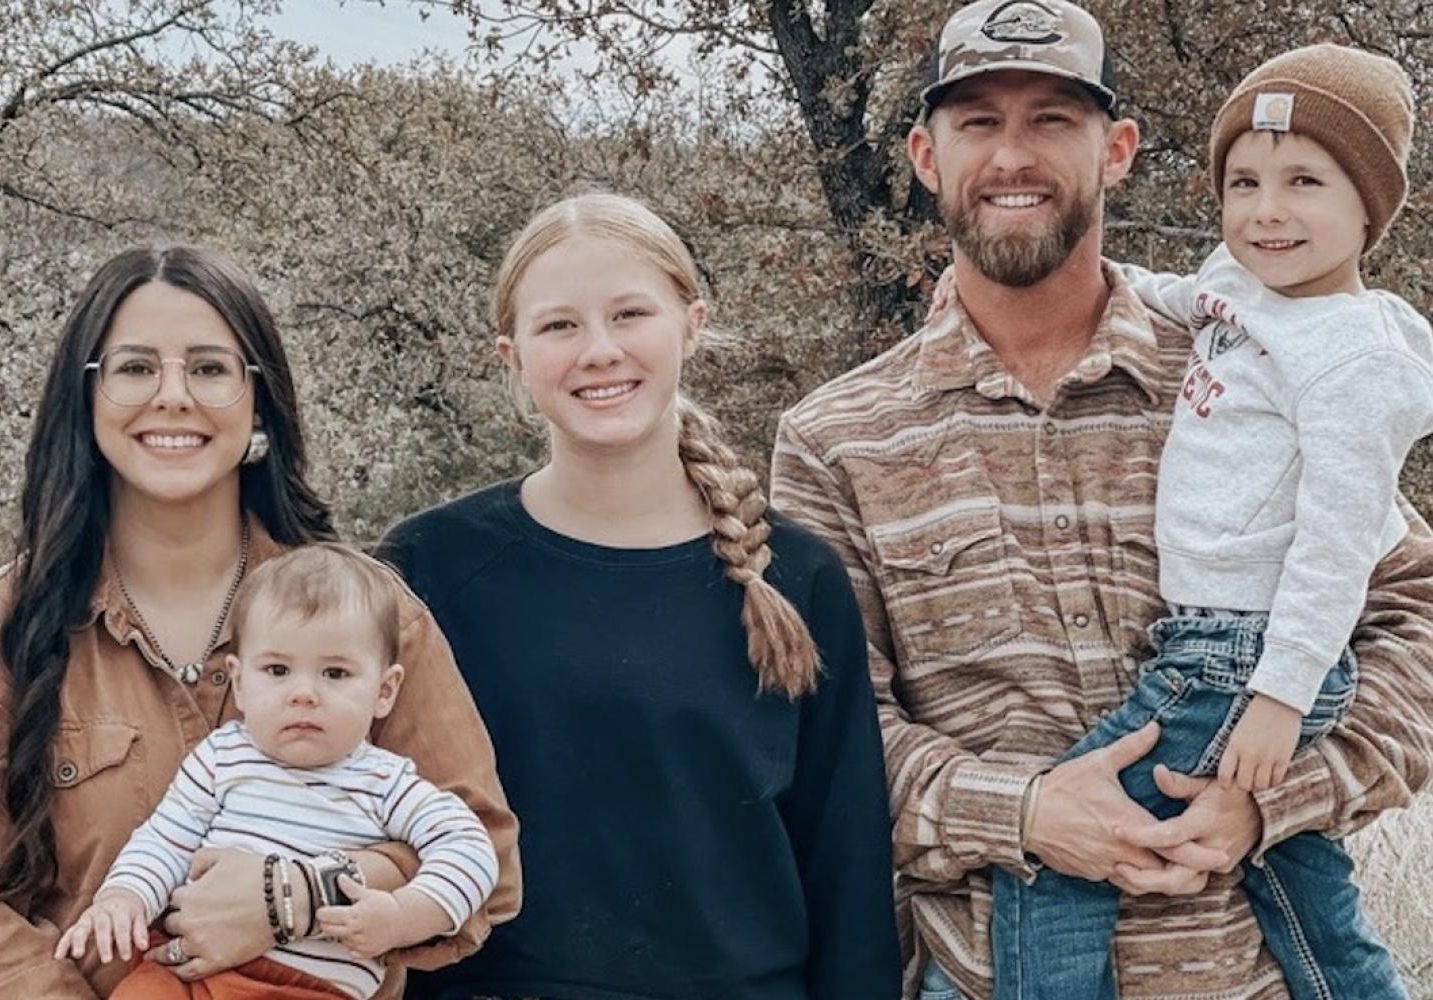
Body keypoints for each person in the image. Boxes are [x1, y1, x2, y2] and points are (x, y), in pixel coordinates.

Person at [769, 3, 1433, 998]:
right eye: (978, 121)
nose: (1012, 155)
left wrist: (1271, 799)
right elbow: (827, 741)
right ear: (923, 153)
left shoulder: (1251, 365)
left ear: (1116, 149)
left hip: (1248, 975)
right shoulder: (836, 437)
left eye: (1051, 119)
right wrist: (1024, 812)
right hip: (988, 970)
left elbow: (1412, 621)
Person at [0, 246, 520, 1000]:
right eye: (134, 368)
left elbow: (483, 856)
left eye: (209, 368)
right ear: (86, 397)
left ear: (257, 400)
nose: (173, 396)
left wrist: (293, 900)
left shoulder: (372, 612)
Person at [983, 42, 1429, 1000]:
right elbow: (1177, 293)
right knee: (1298, 878)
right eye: (1244, 181)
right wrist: (1101, 284)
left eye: (1305, 181)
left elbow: (1340, 543)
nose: (1268, 210)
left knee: (1055, 859)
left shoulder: (1354, 362)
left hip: (1242, 654)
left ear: (1369, 208)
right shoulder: (1245, 284)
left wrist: (1279, 692)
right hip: (1212, 642)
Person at [380, 192, 901, 999]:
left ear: (692, 324)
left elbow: (850, 883)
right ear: (509, 355)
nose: (599, 351)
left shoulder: (796, 579)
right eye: (558, 326)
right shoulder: (432, 567)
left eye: (630, 314)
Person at [54, 543, 502, 1000]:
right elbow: (165, 840)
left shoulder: (386, 783)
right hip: (188, 971)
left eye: (335, 673)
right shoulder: (222, 756)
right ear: (241, 681)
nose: (303, 693)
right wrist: (123, 897)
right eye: (278, 669)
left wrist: (403, 914)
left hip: (313, 988)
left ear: (384, 690)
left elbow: (472, 849)